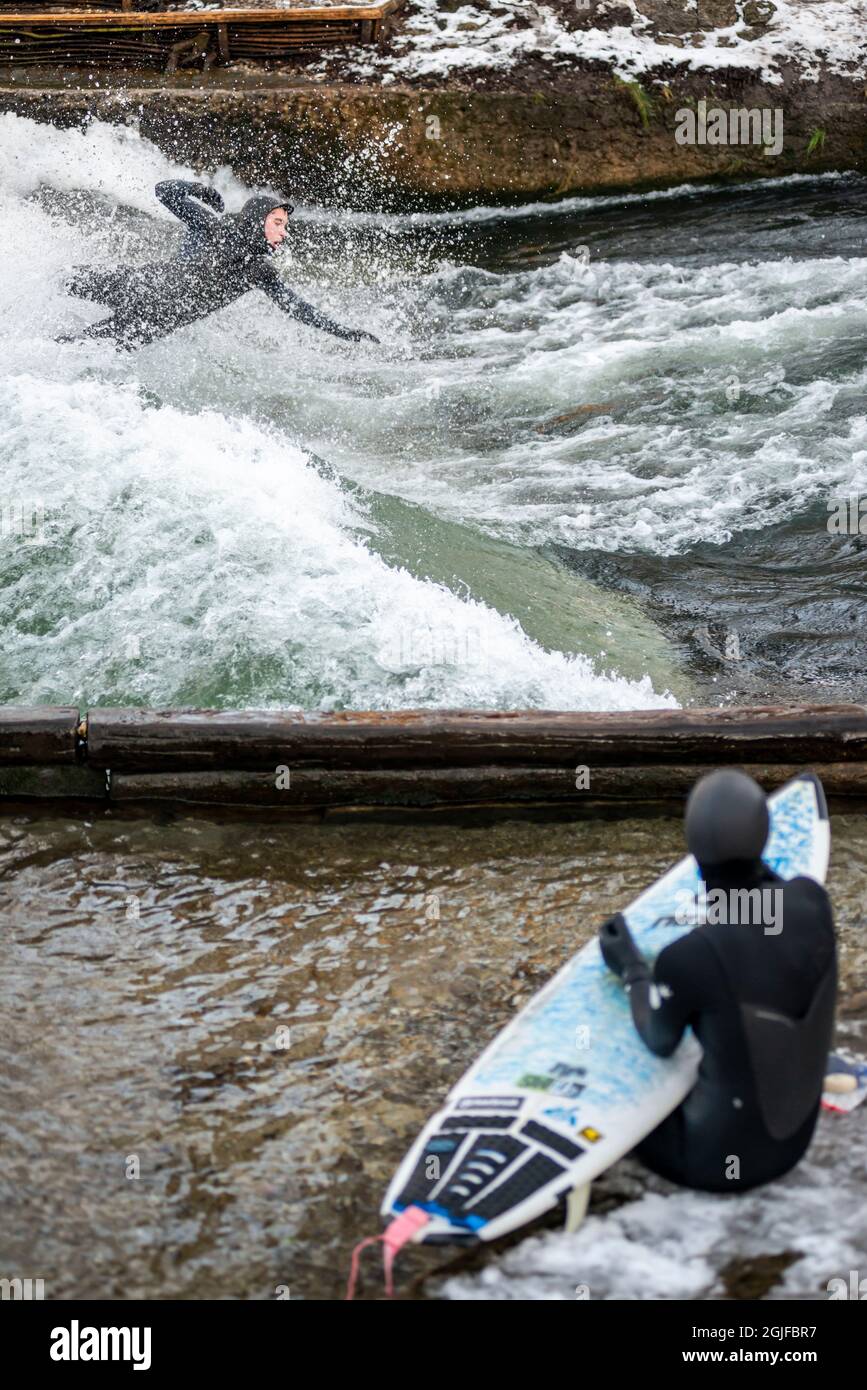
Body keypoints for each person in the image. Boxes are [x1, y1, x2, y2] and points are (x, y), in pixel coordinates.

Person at [598, 769, 836, 1193]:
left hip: (709, 1167)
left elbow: (658, 1039)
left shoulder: (689, 956)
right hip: (793, 1146)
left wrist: (632, 969)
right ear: (765, 835)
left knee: (611, 1072)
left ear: (692, 846)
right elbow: (764, 920)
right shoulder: (812, 901)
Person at [58, 180, 380, 350]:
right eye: (278, 223)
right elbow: (165, 191)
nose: (285, 232)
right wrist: (199, 190)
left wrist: (342, 331)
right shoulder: (217, 229)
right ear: (257, 220)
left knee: (70, 350)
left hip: (148, 324)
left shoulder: (260, 271)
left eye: (286, 226)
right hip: (137, 284)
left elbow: (296, 307)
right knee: (57, 280)